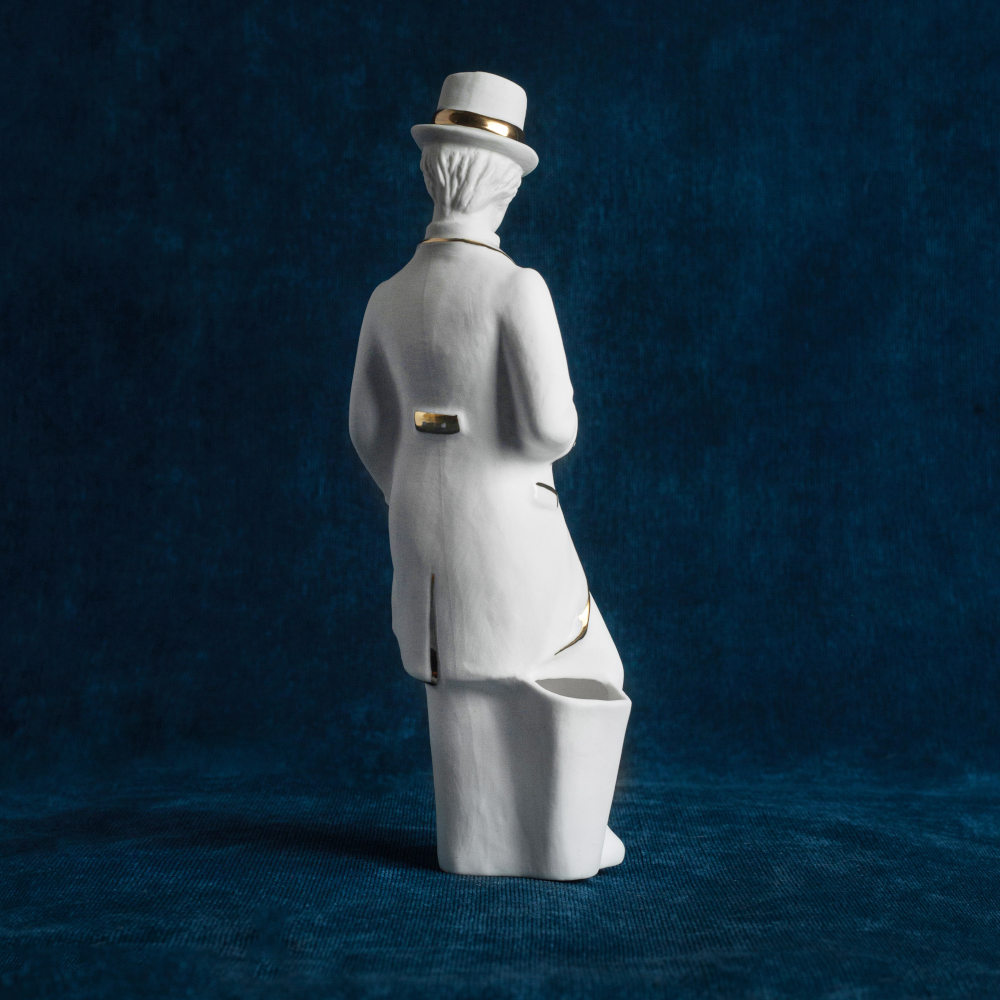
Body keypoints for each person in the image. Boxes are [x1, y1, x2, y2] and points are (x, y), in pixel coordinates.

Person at [350, 72, 630, 880]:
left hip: (418, 518)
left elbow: (365, 427)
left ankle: (474, 844)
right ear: (504, 184)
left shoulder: (388, 296)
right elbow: (550, 429)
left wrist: (409, 482)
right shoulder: (515, 288)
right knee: (591, 666)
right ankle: (563, 843)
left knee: (457, 681)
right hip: (509, 521)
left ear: (432, 173)